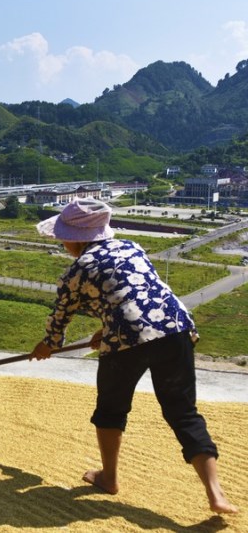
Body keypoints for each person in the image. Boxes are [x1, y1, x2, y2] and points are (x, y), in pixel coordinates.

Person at [30, 198, 238, 515]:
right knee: (183, 411)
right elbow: (134, 292)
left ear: (76, 237)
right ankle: (216, 493)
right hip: (175, 328)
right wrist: (108, 327)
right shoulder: (131, 247)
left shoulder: (77, 271)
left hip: (128, 340)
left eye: (63, 238)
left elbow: (59, 321)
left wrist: (47, 346)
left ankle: (109, 477)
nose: (62, 244)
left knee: (111, 410)